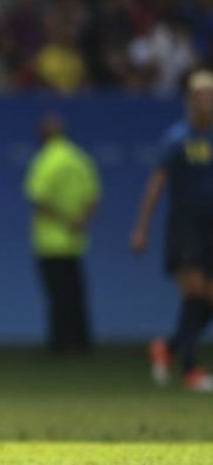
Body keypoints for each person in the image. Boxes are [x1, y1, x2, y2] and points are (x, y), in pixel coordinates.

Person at [131, 69, 213, 392]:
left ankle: (168, 346)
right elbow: (155, 187)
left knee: (207, 299)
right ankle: (191, 370)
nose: (206, 102)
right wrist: (141, 229)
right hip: (185, 228)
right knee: (194, 290)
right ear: (189, 102)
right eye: (201, 97)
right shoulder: (177, 139)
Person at [24, 113, 101, 355]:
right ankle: (82, 342)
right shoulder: (80, 158)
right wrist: (81, 222)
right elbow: (93, 196)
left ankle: (59, 344)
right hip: (75, 240)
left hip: (49, 242)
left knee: (57, 296)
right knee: (76, 294)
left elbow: (38, 199)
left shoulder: (46, 160)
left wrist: (65, 220)